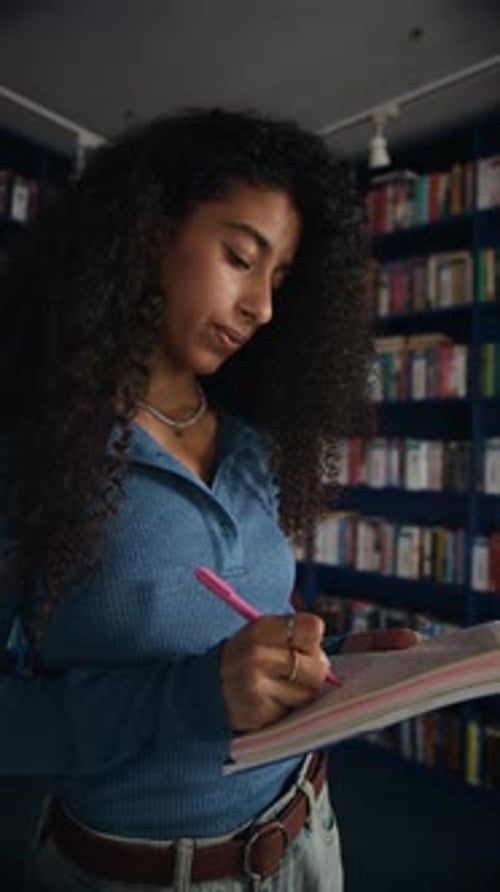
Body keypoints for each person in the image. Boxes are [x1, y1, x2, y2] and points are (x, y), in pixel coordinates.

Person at [0, 107, 420, 892]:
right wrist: (190, 697)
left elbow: (244, 616)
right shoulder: (32, 448)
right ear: (152, 233)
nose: (262, 305)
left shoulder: (253, 441)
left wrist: (332, 672)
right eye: (240, 257)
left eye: (279, 279)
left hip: (307, 838)